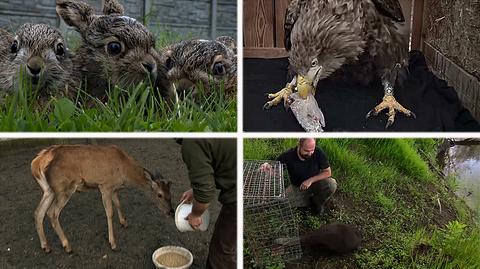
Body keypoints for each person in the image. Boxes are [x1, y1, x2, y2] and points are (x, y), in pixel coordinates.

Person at [178, 138, 236, 269]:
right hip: (238, 182)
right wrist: (195, 190)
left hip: (238, 194)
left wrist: (195, 214)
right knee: (227, 240)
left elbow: (204, 195)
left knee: (222, 252)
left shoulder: (191, 142)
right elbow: (218, 160)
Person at [264, 138, 337, 214]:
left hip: (315, 183)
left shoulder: (318, 152)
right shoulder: (288, 156)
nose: (310, 153)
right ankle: (307, 200)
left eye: (312, 150)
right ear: (299, 145)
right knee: (283, 203)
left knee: (331, 184)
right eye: (306, 151)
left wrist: (310, 180)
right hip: (298, 187)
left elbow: (327, 172)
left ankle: (317, 203)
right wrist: (267, 166)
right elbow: (274, 170)